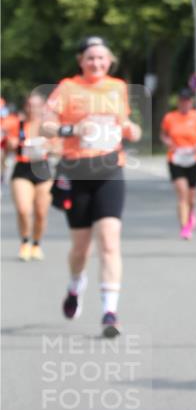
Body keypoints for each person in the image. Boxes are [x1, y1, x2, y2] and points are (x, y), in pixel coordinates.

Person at [42, 36, 142, 338]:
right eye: (90, 58)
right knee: (81, 247)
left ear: (109, 61)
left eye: (101, 58)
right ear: (81, 61)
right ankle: (76, 284)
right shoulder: (67, 88)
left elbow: (126, 124)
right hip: (77, 171)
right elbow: (46, 125)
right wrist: (73, 129)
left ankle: (110, 312)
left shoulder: (117, 87)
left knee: (110, 241)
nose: (96, 63)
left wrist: (131, 129)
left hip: (110, 168)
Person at [6, 93, 57, 260]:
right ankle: (25, 242)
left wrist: (49, 147)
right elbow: (7, 146)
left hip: (42, 168)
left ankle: (36, 244)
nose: (32, 109)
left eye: (36, 106)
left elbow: (60, 148)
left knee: (41, 213)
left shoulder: (48, 127)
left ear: (42, 107)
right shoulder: (17, 124)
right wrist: (11, 144)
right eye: (29, 105)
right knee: (23, 210)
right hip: (22, 168)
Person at [160, 88, 196, 240]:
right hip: (176, 158)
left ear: (191, 102)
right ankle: (185, 227)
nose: (184, 103)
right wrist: (169, 143)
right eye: (182, 101)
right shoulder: (170, 117)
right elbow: (163, 135)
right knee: (182, 193)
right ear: (178, 102)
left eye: (187, 101)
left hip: (193, 158)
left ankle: (191, 213)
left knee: (191, 198)